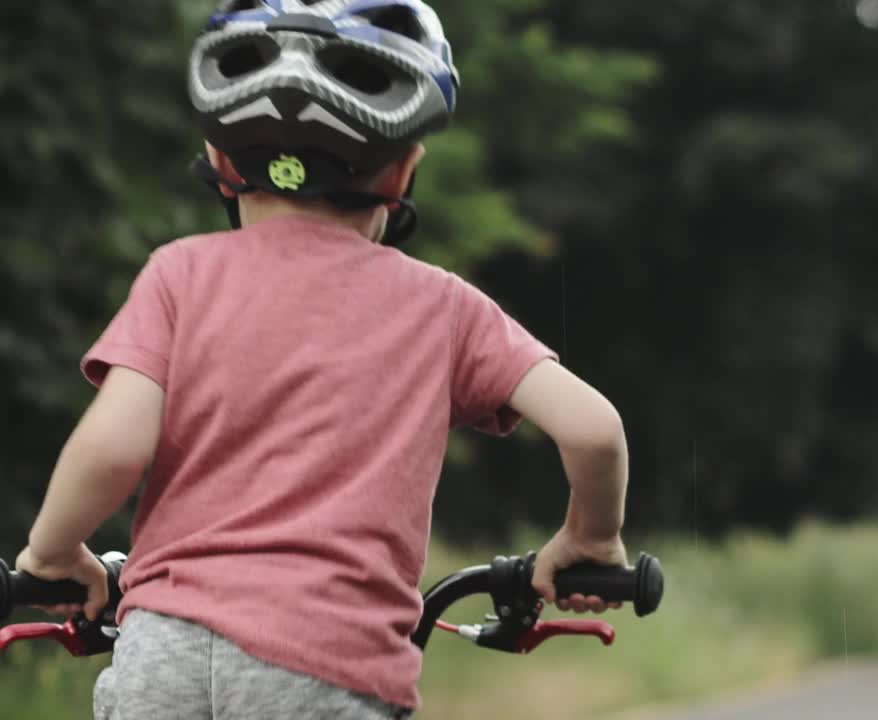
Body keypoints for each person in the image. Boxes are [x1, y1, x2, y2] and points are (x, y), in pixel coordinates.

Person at [14, 1, 629, 718]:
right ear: (403, 173)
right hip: (325, 666)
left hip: (162, 661)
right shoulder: (443, 306)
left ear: (219, 160)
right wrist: (590, 536)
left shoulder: (178, 275)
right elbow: (593, 430)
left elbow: (114, 447)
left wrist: (52, 555)